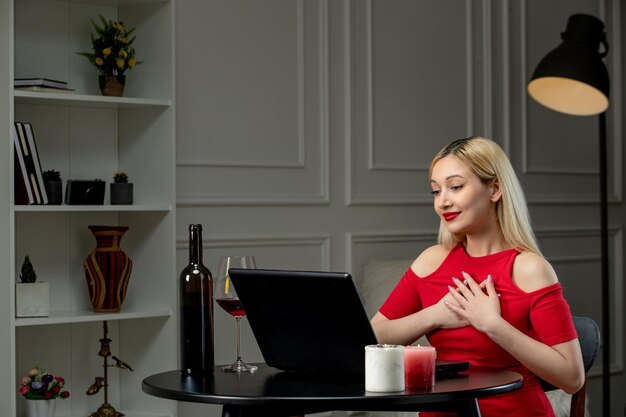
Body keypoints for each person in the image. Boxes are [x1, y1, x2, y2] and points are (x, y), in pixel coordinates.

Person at [371, 136, 585, 417]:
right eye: (436, 191)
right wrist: (433, 316)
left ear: (494, 189)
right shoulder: (431, 261)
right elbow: (372, 336)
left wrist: (493, 325)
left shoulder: (530, 268)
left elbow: (572, 378)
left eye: (456, 187)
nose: (443, 202)